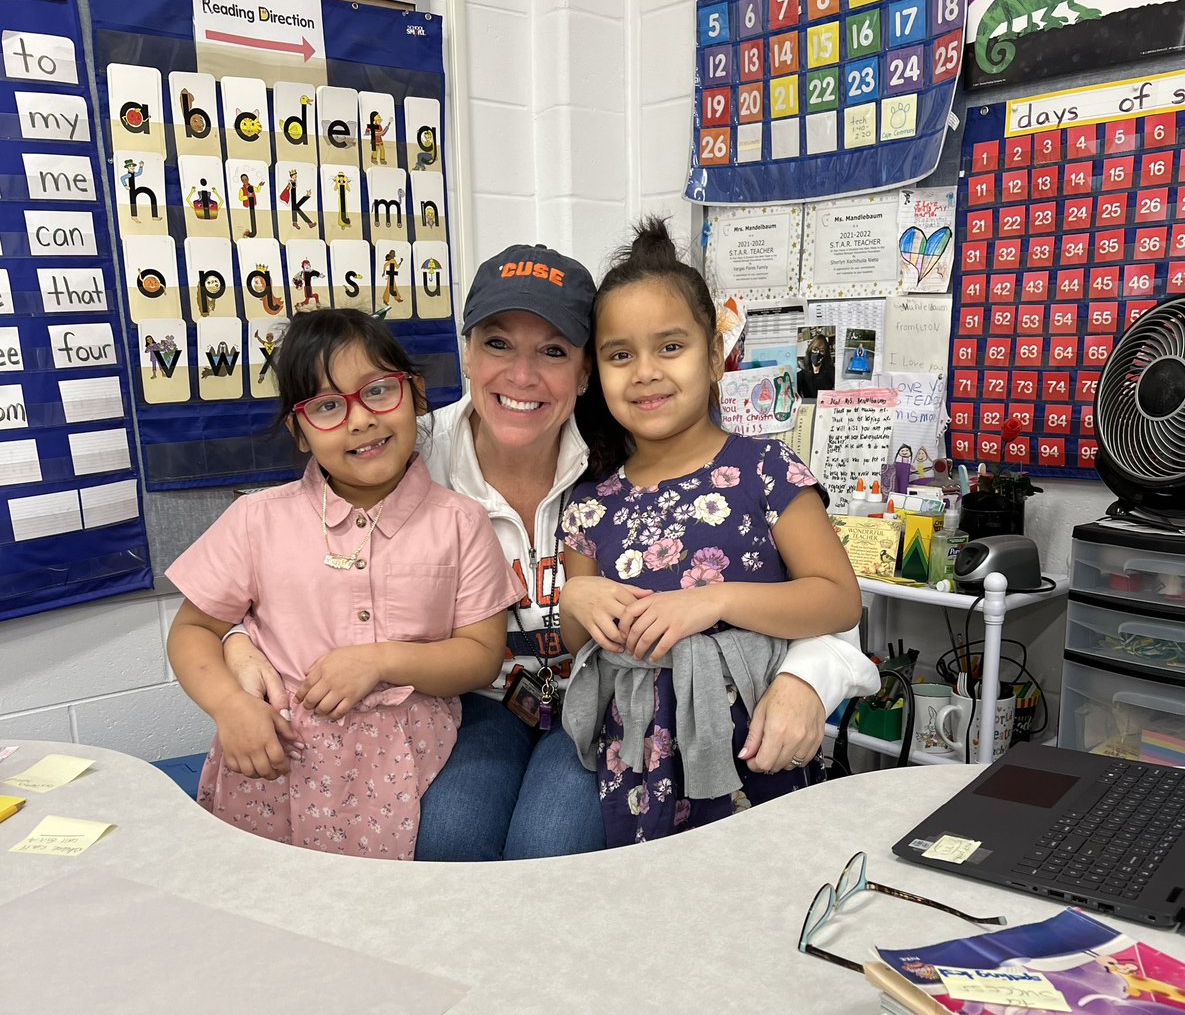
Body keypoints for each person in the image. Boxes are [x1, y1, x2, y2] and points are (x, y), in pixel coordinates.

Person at [224, 244, 878, 860]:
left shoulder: (641, 455)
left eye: (554, 351)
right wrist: (236, 635)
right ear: (468, 352)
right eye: (497, 344)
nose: (521, 374)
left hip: (606, 709)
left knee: (550, 844)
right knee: (450, 834)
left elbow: (829, 602)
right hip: (476, 703)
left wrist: (806, 678)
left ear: (584, 369)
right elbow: (299, 539)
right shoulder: (407, 454)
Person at [166, 308, 524, 859]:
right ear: (300, 432)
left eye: (378, 391)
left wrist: (381, 661)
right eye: (327, 406)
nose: (359, 420)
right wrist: (228, 707)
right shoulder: (257, 520)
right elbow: (192, 629)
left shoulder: (461, 522)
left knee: (379, 912)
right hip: (276, 761)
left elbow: (478, 658)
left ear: (417, 395)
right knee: (270, 903)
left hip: (402, 760)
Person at [557, 219, 863, 845]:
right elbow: (575, 642)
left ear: (716, 353)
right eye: (621, 355)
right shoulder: (591, 503)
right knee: (656, 903)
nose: (645, 372)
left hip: (755, 738)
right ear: (597, 372)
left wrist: (715, 600)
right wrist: (575, 599)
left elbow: (838, 597)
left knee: (758, 897)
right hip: (638, 752)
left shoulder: (766, 469)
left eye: (671, 347)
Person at [796, 333, 835, 399]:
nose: (818, 353)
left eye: (822, 351)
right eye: (815, 349)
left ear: (826, 354)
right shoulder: (801, 375)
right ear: (810, 350)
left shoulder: (832, 372)